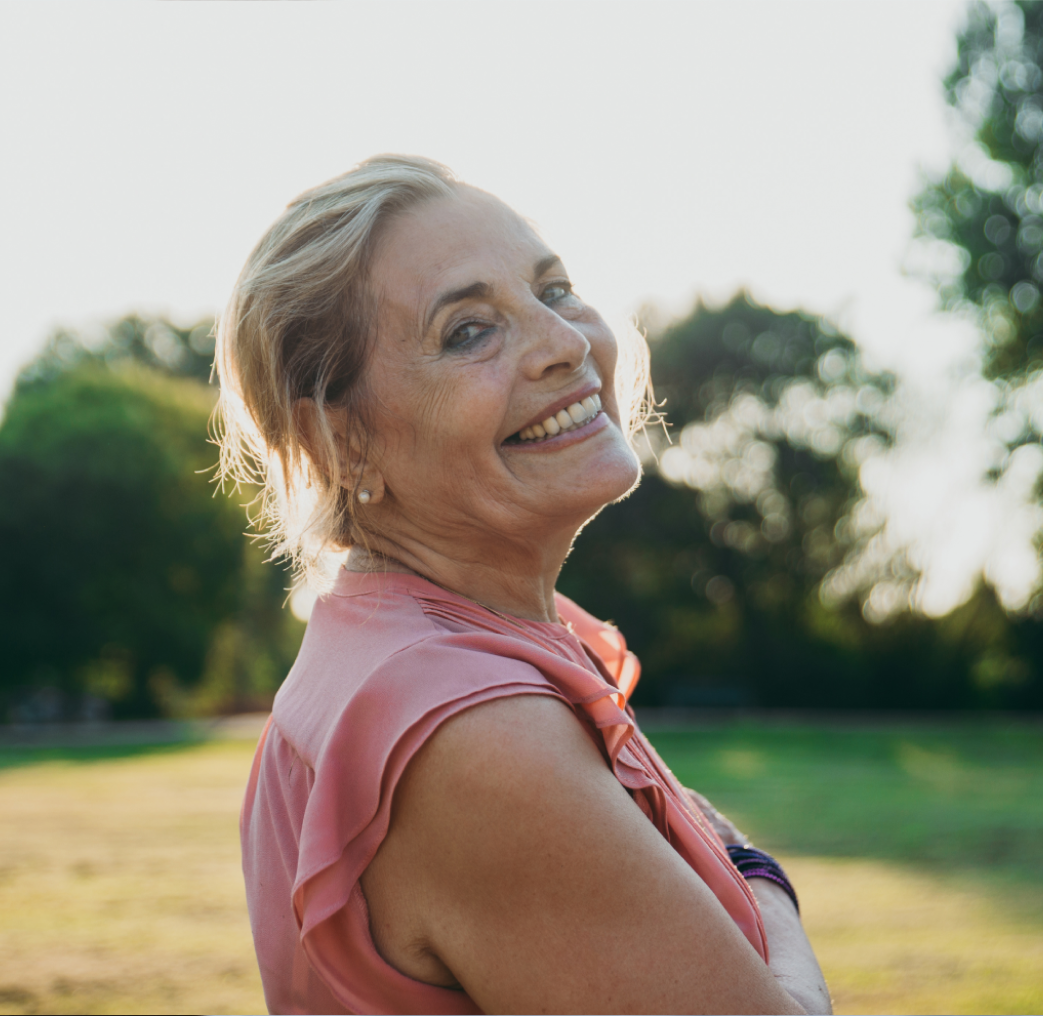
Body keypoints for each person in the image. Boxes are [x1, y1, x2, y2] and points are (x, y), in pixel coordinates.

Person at [220, 154, 832, 1015]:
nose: (567, 343)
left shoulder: (415, 652)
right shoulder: (468, 728)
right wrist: (763, 885)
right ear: (341, 442)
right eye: (468, 330)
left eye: (554, 290)